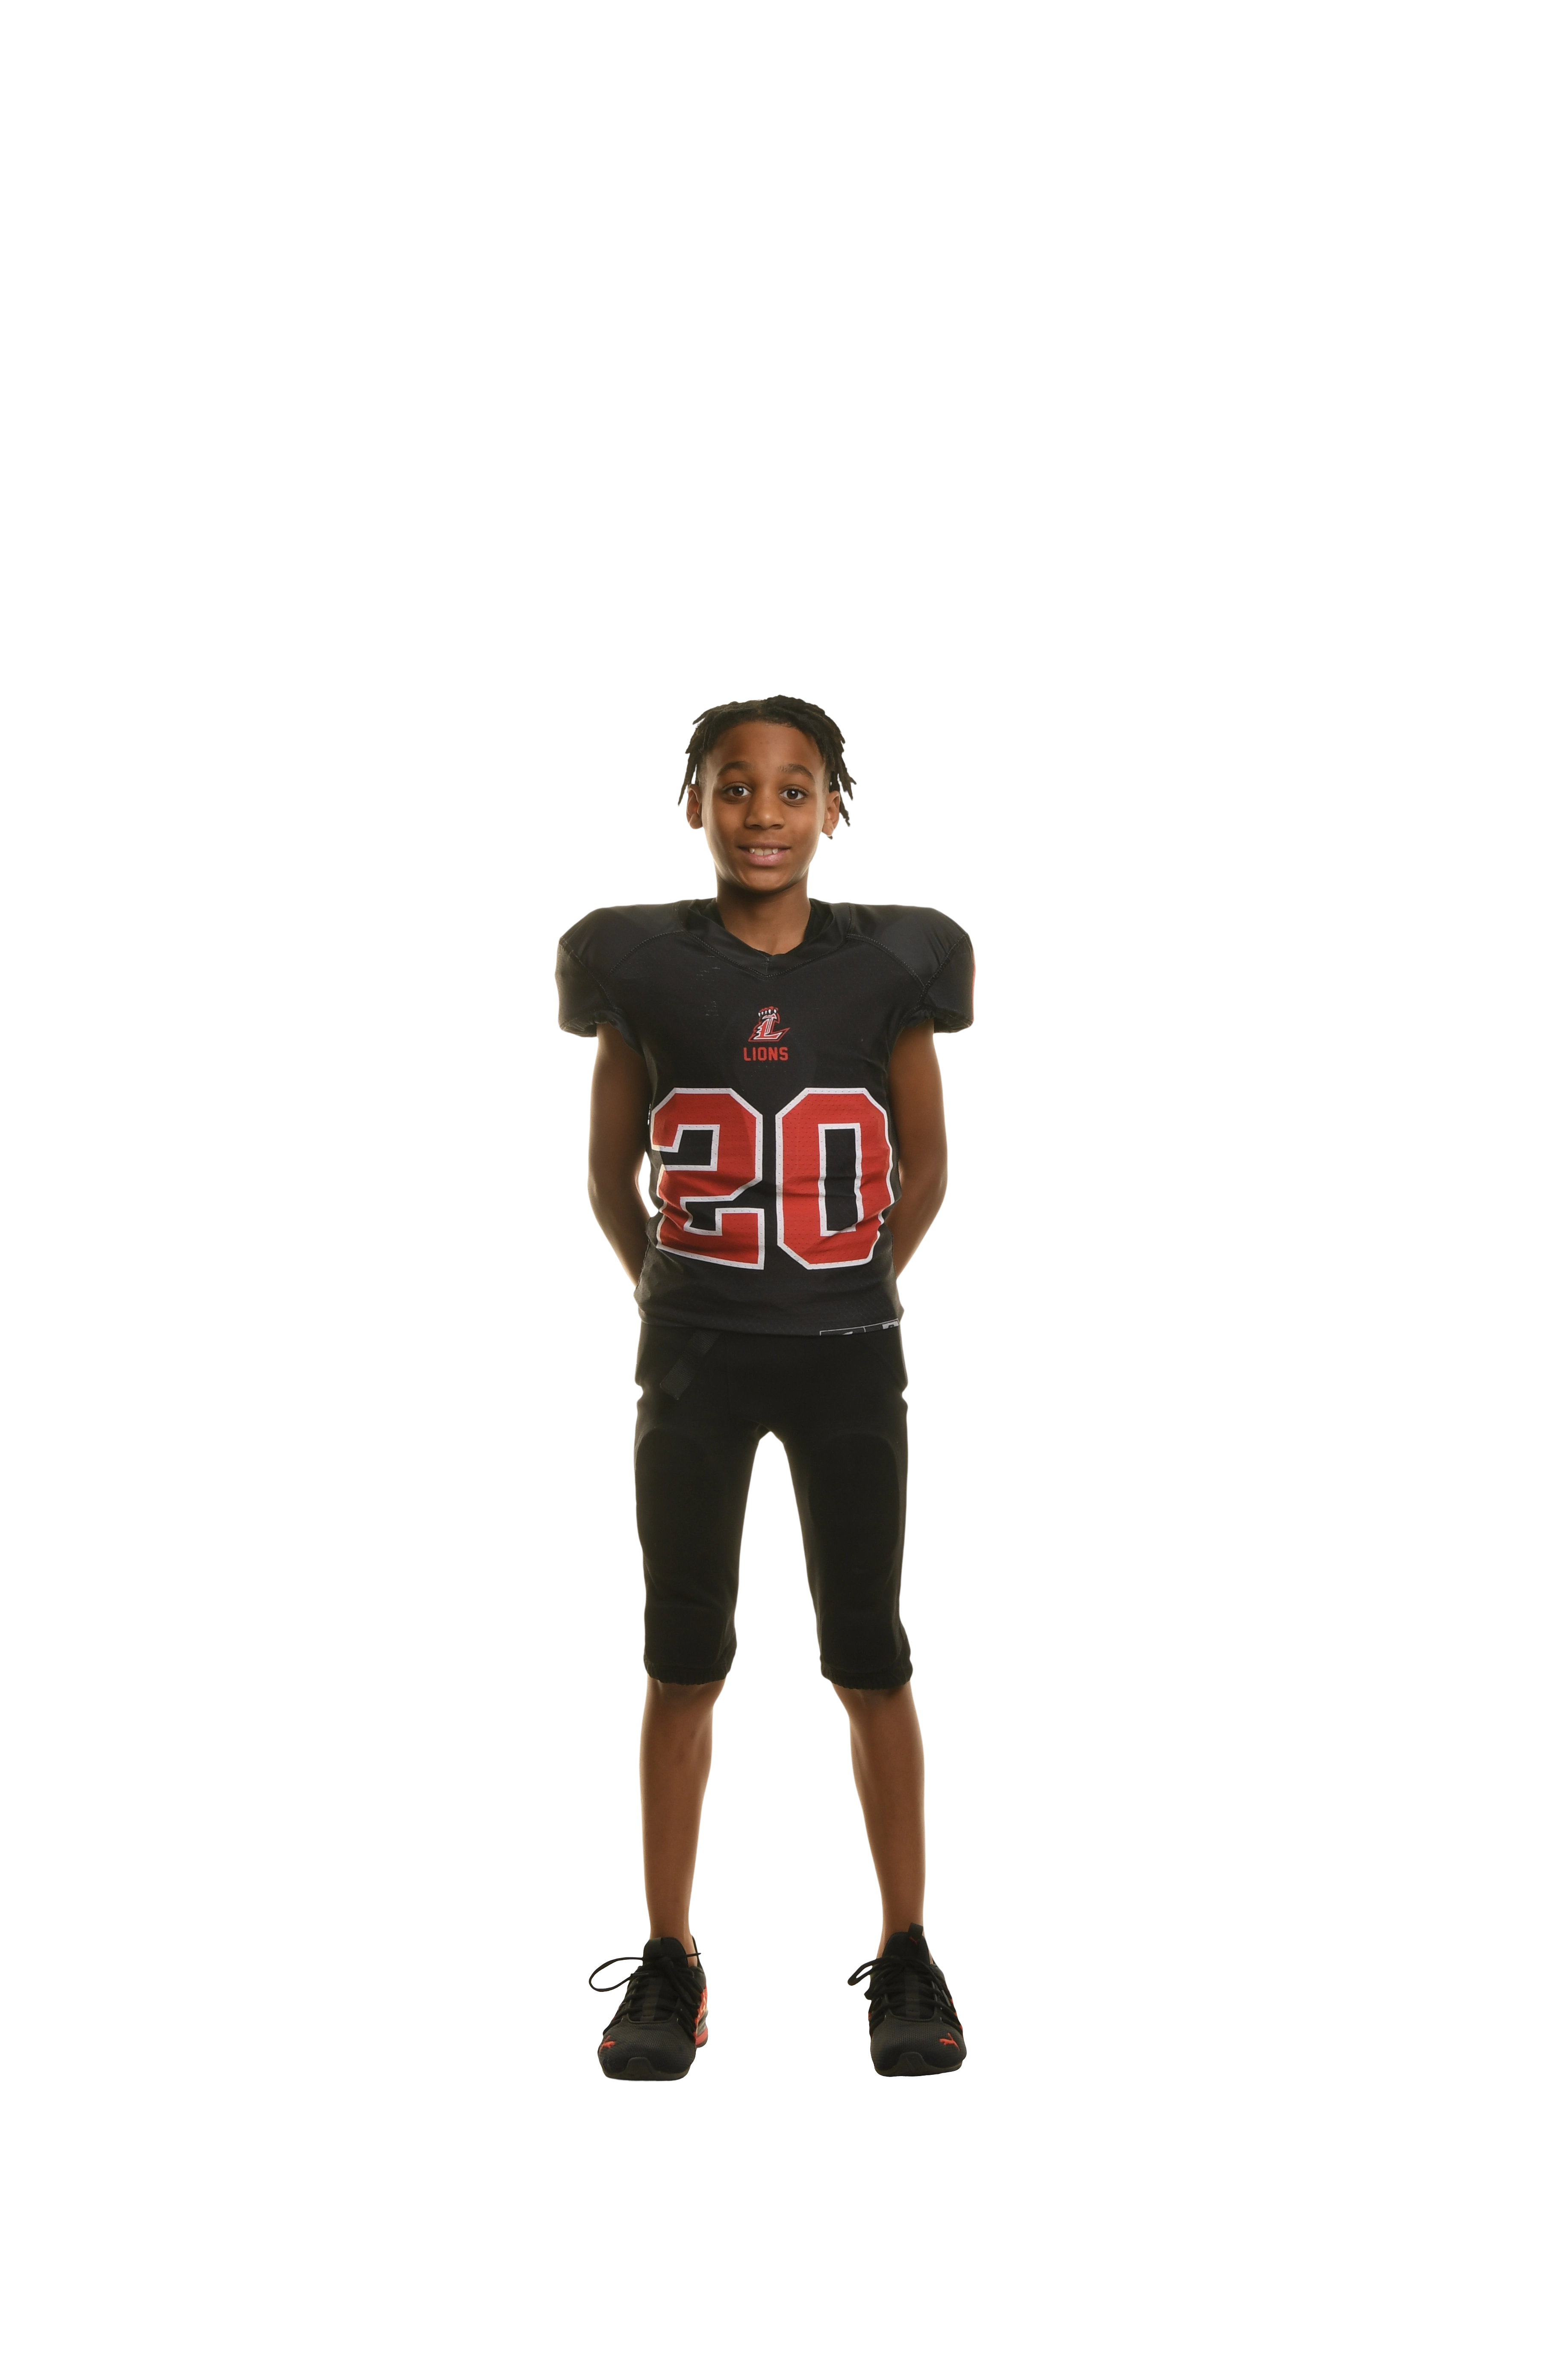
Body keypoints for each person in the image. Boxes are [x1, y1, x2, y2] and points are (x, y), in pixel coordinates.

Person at [560, 695, 974, 2080]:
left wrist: (848, 1286)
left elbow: (926, 1165)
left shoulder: (890, 966)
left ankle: (906, 1950)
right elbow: (610, 1177)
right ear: (694, 803)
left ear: (836, 809)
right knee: (683, 1658)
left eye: (795, 790)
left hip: (849, 1355)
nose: (763, 813)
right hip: (697, 1362)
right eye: (734, 786)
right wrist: (678, 1296)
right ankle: (670, 1957)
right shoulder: (642, 967)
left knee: (870, 1653)